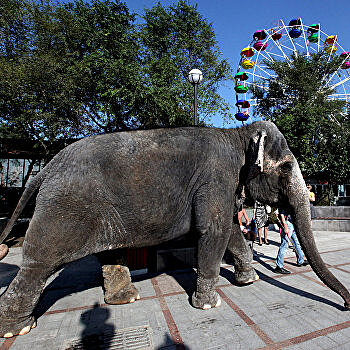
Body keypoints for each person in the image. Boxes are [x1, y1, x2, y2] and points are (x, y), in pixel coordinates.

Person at [274, 208, 309, 274]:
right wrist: (285, 226)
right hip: (288, 224)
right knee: (284, 245)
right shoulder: (284, 200)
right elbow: (282, 213)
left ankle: (300, 260)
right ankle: (279, 266)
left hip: (292, 224)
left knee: (296, 243)